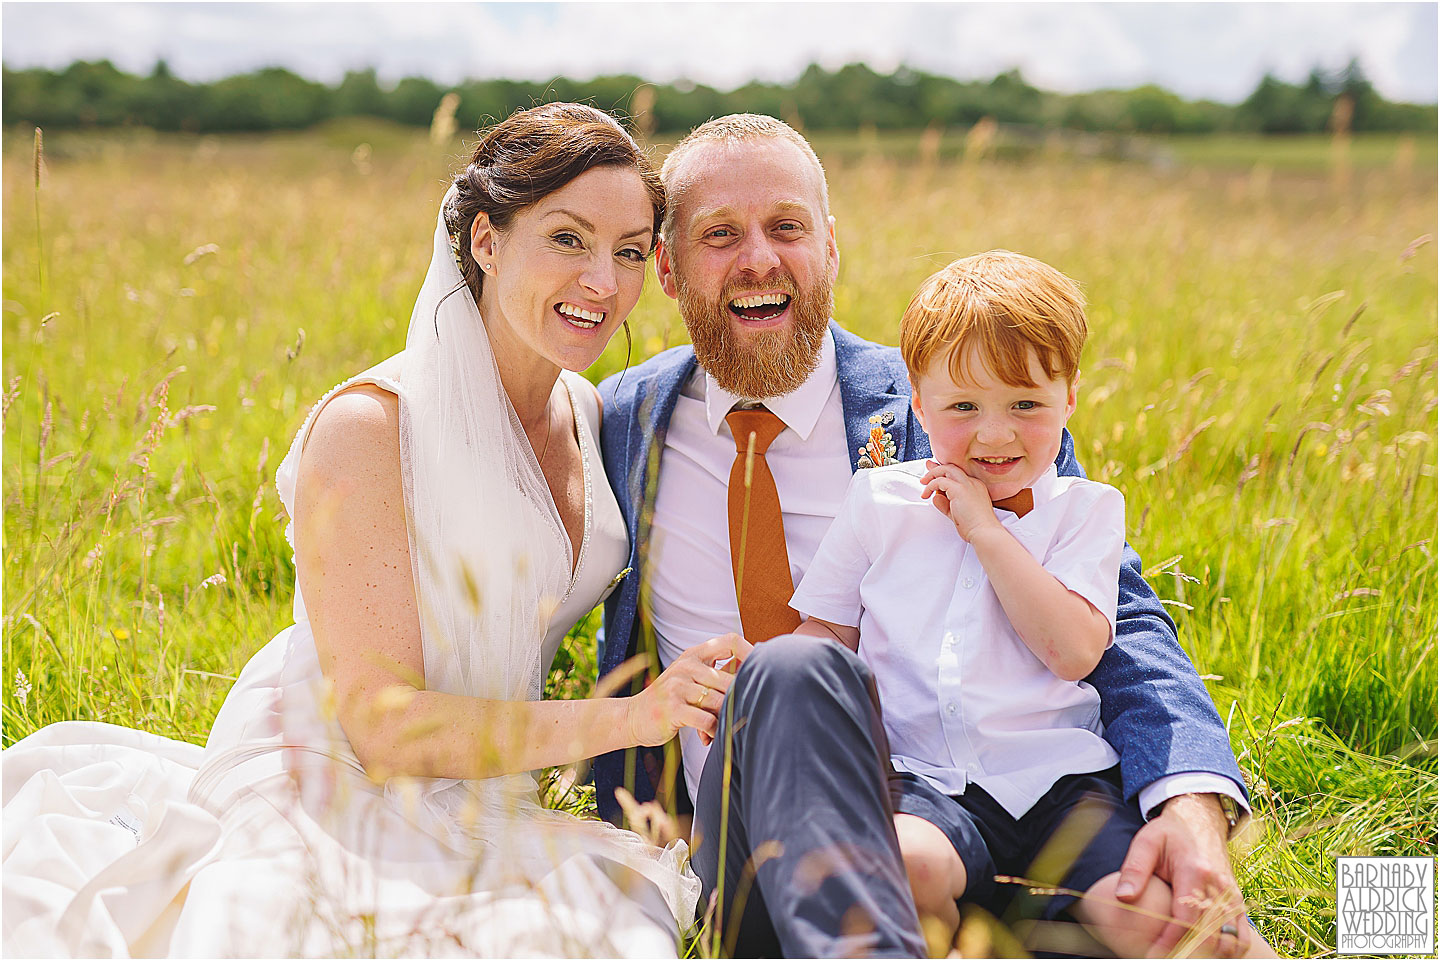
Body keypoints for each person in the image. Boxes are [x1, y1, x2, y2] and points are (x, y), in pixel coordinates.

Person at [2, 103, 733, 958]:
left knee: (607, 932)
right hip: (332, 776)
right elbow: (382, 726)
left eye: (630, 251)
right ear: (487, 241)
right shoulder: (367, 429)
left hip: (486, 789)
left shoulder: (588, 410)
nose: (603, 282)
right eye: (567, 238)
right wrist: (631, 718)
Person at [595, 114, 1256, 958]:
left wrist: (1190, 805)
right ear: (668, 266)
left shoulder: (964, 406)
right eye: (719, 235)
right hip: (724, 846)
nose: (758, 258)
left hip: (916, 814)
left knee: (1178, 926)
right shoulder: (622, 418)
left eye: (787, 227)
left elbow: (1120, 628)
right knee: (796, 666)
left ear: (830, 246)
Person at [788, 250, 1275, 957]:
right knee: (904, 863)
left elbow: (1074, 649)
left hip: (1063, 785)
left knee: (1154, 914)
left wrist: (985, 529)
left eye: (1025, 404)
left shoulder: (1084, 512)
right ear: (918, 404)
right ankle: (952, 934)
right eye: (963, 407)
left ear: (1069, 397)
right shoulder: (878, 501)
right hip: (926, 779)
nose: (994, 434)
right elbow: (825, 633)